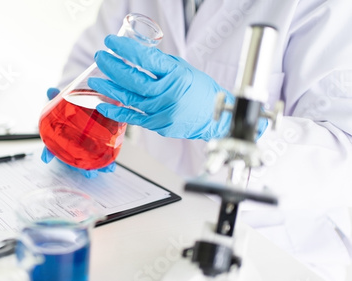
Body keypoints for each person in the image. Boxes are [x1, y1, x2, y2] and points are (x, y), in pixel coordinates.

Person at [42, 0, 352, 280]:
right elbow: (93, 58)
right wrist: (72, 116)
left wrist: (226, 122)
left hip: (275, 247)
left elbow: (343, 162)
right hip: (150, 210)